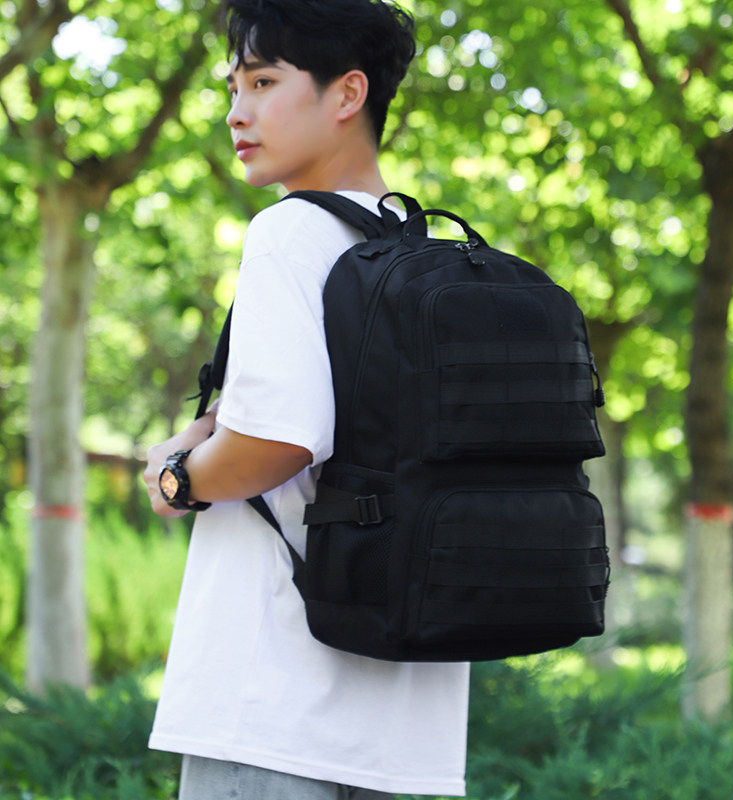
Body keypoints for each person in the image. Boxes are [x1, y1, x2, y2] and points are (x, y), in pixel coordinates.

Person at [142, 1, 470, 798]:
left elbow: (279, 442)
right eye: (232, 88)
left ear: (348, 93)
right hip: (403, 724)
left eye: (262, 82)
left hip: (273, 706)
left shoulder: (288, 233)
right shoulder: (420, 254)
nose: (236, 112)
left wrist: (177, 477)